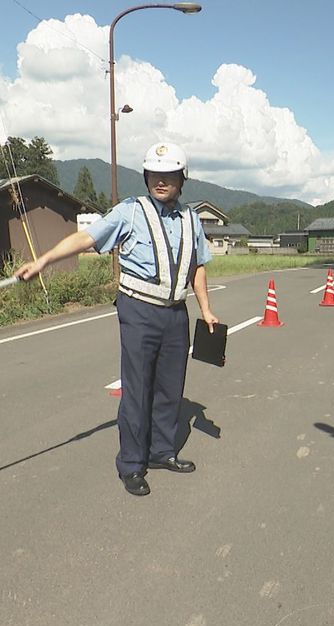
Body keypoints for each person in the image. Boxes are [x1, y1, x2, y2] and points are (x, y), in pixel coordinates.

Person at [15, 142, 218, 497]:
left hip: (176, 314)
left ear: (181, 179)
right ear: (146, 176)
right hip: (139, 310)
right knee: (137, 390)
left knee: (170, 388)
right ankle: (132, 464)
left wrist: (206, 309)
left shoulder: (190, 219)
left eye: (169, 174)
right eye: (155, 174)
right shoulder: (130, 212)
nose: (161, 181)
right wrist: (44, 260)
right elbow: (85, 237)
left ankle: (162, 452)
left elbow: (197, 266)